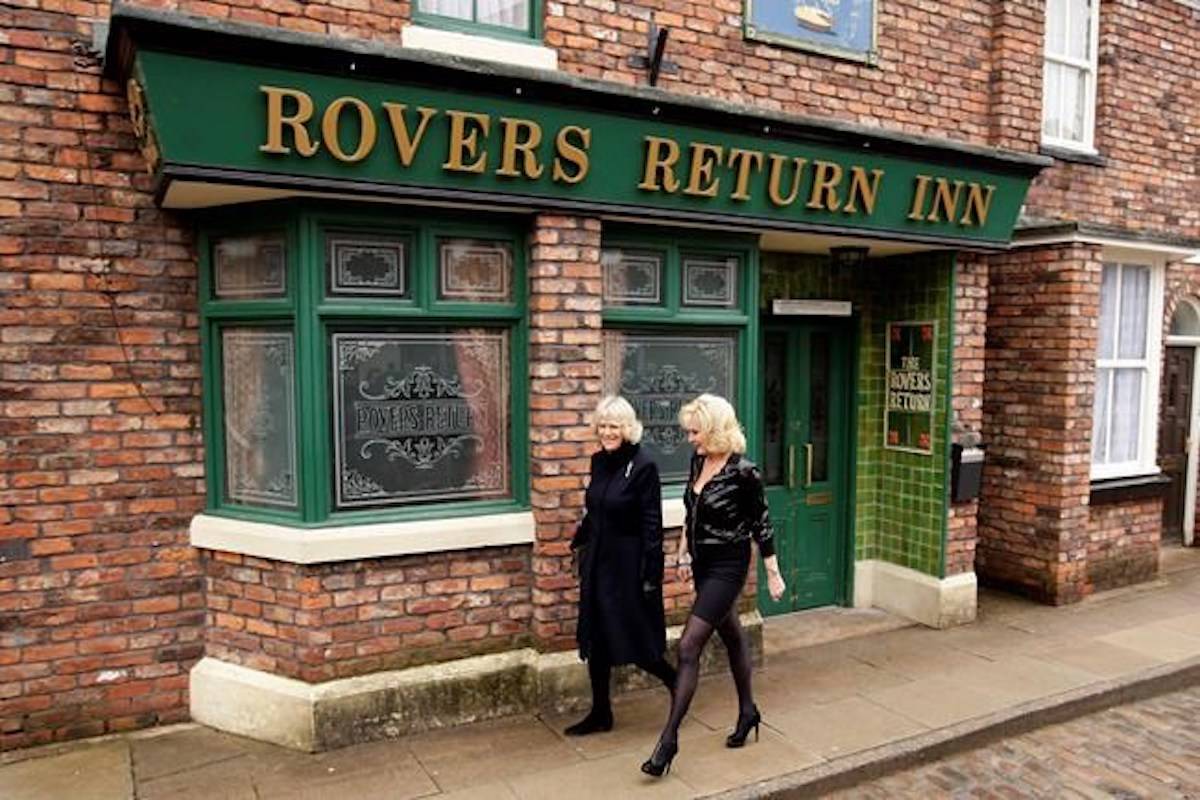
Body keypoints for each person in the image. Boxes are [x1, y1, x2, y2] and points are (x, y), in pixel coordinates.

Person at [641, 393, 786, 777]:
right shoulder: (699, 461)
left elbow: (762, 524)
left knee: (689, 647)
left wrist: (773, 572)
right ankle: (748, 711)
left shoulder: (744, 472)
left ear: (716, 429)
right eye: (689, 431)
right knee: (734, 635)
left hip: (729, 565)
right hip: (704, 564)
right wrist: (683, 553)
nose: (690, 438)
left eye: (696, 431)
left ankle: (668, 742)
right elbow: (692, 511)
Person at [566, 395, 677, 736]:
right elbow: (597, 507)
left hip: (629, 568)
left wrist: (651, 576)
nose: (607, 432)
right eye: (602, 425)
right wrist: (581, 537)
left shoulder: (644, 466)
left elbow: (651, 525)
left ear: (627, 428)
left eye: (613, 426)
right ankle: (601, 713)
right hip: (599, 563)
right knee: (597, 639)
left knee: (637, 641)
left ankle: (678, 684)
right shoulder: (599, 461)